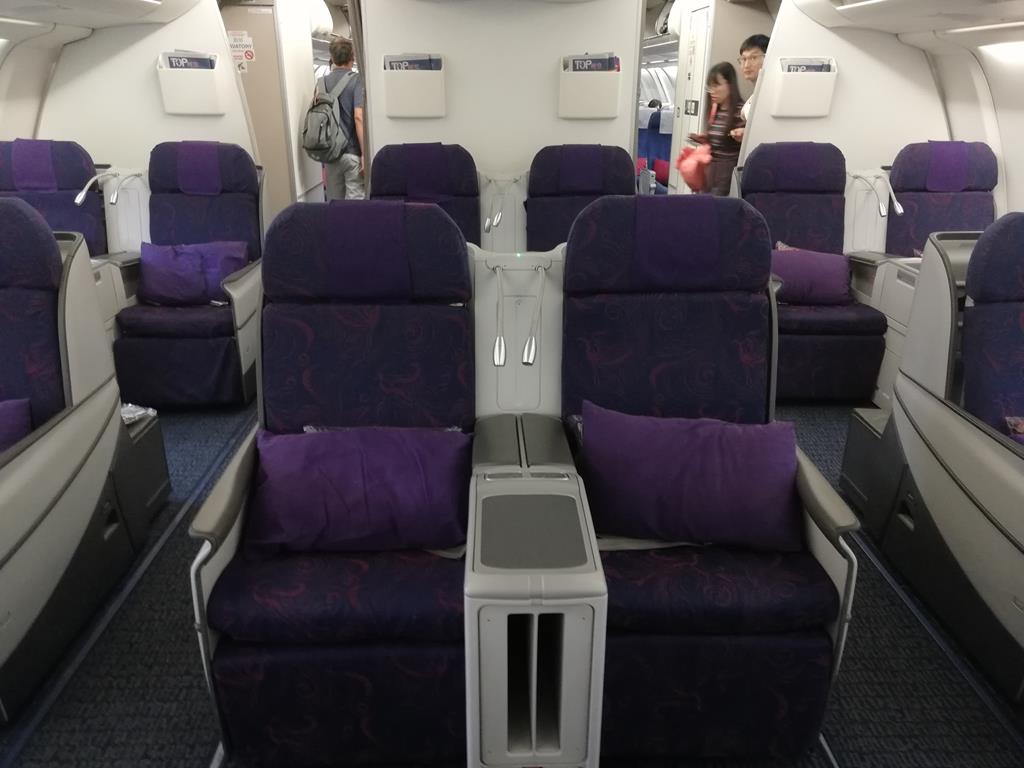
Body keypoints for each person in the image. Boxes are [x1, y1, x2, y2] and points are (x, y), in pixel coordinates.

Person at [689, 62, 744, 196]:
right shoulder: (715, 110)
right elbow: (718, 140)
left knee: (715, 206)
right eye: (710, 86)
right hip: (709, 171)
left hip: (725, 174)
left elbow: (744, 142)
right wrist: (705, 139)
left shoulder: (741, 112)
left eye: (716, 85)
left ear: (730, 85)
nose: (712, 91)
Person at [319, 37, 365, 200]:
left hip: (330, 154)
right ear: (352, 57)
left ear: (332, 58)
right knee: (355, 206)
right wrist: (364, 153)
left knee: (335, 203)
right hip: (352, 153)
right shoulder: (357, 80)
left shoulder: (321, 83)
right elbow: (358, 117)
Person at [731, 33, 770, 142]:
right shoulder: (754, 96)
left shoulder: (772, 94)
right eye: (743, 59)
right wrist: (746, 133)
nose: (746, 65)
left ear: (768, 58)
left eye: (753, 57)